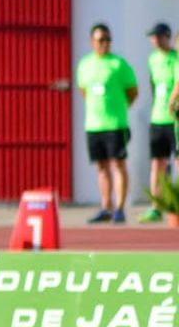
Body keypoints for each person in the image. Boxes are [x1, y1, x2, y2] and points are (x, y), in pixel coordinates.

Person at [76, 23, 138, 223]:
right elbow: (83, 91)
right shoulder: (85, 64)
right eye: (101, 40)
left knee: (118, 165)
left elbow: (132, 92)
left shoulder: (119, 64)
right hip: (94, 125)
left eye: (108, 40)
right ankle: (106, 207)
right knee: (101, 167)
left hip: (115, 124)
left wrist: (119, 109)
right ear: (92, 42)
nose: (105, 44)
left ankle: (119, 208)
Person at [142, 22, 178, 222]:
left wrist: (172, 104)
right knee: (157, 163)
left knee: (177, 162)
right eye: (152, 36)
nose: (154, 40)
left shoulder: (176, 58)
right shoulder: (152, 59)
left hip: (174, 121)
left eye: (157, 36)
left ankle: (176, 204)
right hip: (157, 119)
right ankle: (156, 205)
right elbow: (152, 85)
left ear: (166, 36)